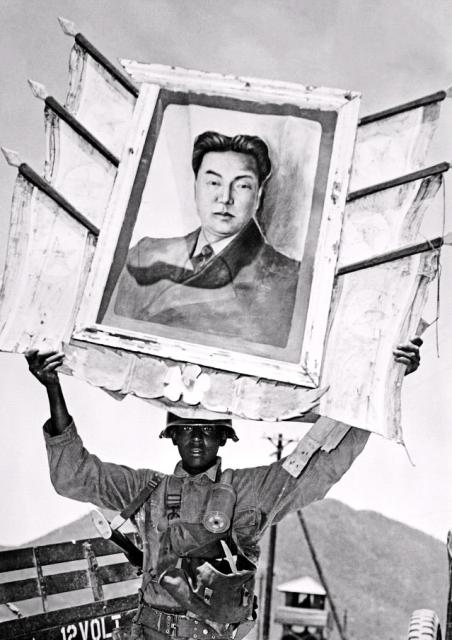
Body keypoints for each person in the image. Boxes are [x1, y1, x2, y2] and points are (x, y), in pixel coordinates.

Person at [26, 338, 421, 640]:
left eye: (207, 430)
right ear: (173, 437)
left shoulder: (252, 490)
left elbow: (321, 463)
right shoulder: (146, 488)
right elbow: (76, 474)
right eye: (186, 430)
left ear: (223, 438)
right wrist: (51, 387)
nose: (197, 439)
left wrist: (385, 382)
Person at [102, 131, 300, 349]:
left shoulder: (287, 280)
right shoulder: (144, 254)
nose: (225, 198)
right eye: (213, 182)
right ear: (195, 188)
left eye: (242, 185)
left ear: (259, 195)